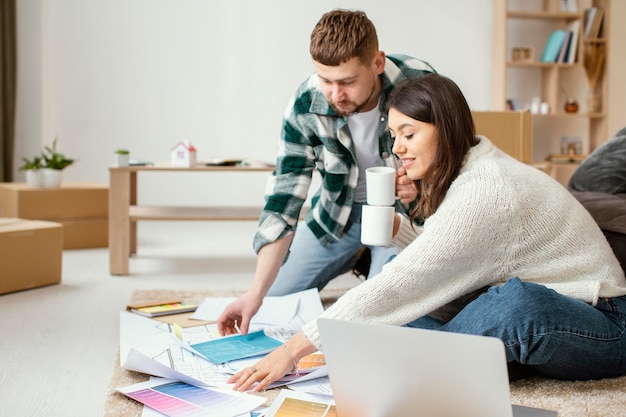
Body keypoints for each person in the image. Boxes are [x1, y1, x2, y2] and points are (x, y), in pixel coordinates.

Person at [226, 73, 626, 392]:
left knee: (511, 304)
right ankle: (454, 356)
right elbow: (447, 260)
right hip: (556, 304)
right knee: (412, 302)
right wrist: (401, 230)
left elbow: (405, 282)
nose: (397, 147)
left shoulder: (488, 188)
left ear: (445, 129)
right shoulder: (471, 167)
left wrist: (293, 350)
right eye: (395, 135)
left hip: (603, 321)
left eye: (409, 134)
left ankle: (429, 366)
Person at [217, 9, 436, 336]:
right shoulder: (305, 103)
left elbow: (457, 159)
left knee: (378, 318)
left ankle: (372, 263)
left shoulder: (419, 83)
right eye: (326, 80)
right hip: (336, 215)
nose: (335, 94)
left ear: (377, 63)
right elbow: (283, 199)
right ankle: (355, 255)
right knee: (271, 303)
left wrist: (425, 187)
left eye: (347, 82)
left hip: (403, 219)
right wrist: (255, 293)